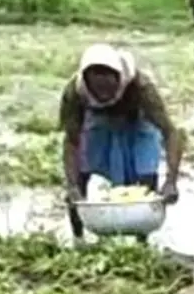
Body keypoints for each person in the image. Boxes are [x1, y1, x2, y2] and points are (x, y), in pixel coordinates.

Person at [60, 44, 186, 243]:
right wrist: (72, 185)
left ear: (119, 80)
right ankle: (78, 239)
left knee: (146, 177)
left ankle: (141, 240)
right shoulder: (75, 92)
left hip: (137, 120)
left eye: (109, 90)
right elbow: (72, 141)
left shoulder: (141, 87)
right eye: (98, 90)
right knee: (82, 173)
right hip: (98, 120)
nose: (104, 96)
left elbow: (170, 132)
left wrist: (171, 181)